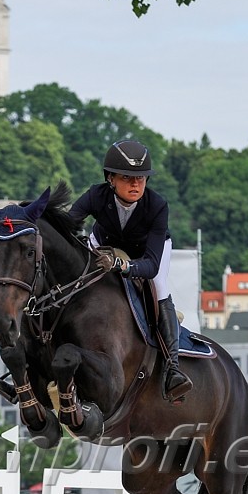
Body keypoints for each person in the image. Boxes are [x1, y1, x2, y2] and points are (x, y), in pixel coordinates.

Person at [68, 139, 193, 404]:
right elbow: (67, 224)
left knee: (159, 289)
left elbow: (149, 266)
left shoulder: (157, 205)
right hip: (105, 245)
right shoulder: (95, 195)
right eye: (127, 177)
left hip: (146, 253)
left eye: (141, 178)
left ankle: (173, 370)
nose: (136, 184)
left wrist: (124, 267)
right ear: (110, 178)